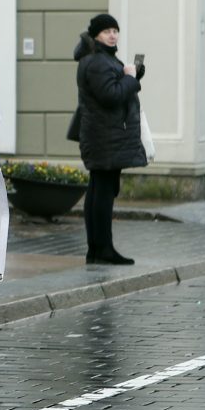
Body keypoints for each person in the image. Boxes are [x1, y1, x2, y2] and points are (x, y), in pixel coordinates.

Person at [73, 13, 148, 265]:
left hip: (104, 135)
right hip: (104, 136)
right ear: (96, 35)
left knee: (100, 189)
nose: (112, 35)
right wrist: (128, 78)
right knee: (102, 192)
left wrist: (132, 76)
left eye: (115, 30)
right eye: (107, 31)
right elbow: (111, 95)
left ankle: (97, 249)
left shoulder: (101, 59)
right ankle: (102, 249)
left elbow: (113, 88)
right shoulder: (97, 62)